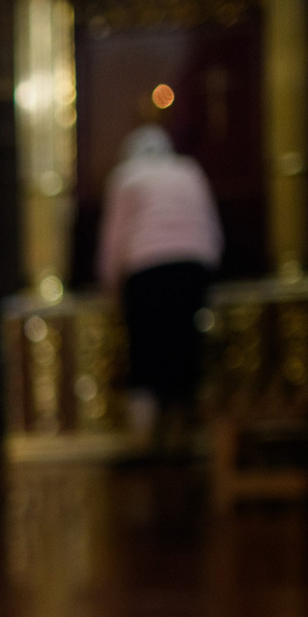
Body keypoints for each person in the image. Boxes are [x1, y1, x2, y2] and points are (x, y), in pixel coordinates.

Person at [98, 123, 223, 450]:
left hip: (146, 266)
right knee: (185, 344)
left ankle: (145, 439)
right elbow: (210, 222)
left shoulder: (126, 176)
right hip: (192, 263)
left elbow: (114, 236)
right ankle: (184, 432)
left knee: (146, 347)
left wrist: (110, 282)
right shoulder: (187, 171)